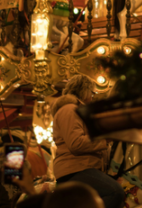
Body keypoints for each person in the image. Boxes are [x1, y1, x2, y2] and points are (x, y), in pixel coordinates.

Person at [51, 75, 125, 208]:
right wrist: (105, 138)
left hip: (83, 168)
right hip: (75, 170)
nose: (93, 97)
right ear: (84, 90)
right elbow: (76, 144)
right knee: (115, 192)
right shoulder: (69, 110)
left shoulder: (78, 112)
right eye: (92, 92)